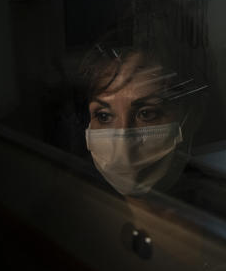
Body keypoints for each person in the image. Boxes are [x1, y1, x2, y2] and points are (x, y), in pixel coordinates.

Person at [79, 28, 209, 197]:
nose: (123, 148)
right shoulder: (80, 207)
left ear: (194, 115)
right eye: (104, 116)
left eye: (146, 114)